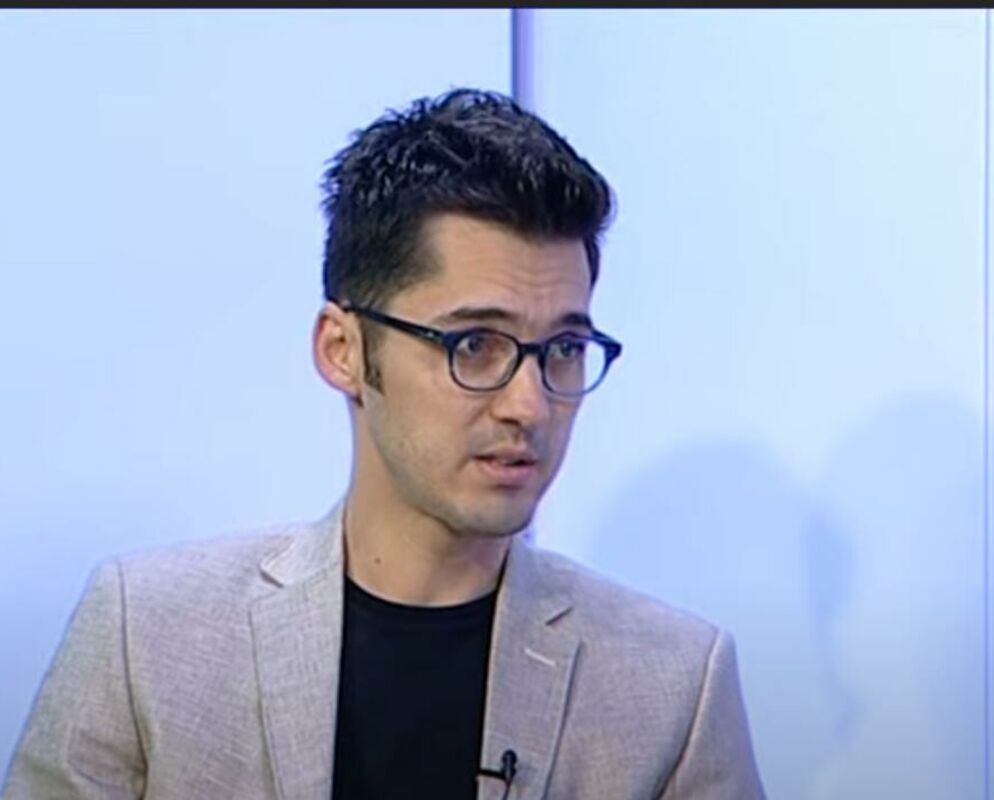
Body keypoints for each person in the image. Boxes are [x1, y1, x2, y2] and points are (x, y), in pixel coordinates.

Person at [3, 88, 765, 799]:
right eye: (475, 344)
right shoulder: (146, 635)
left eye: (563, 350)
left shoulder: (674, 688)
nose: (529, 405)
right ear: (342, 350)